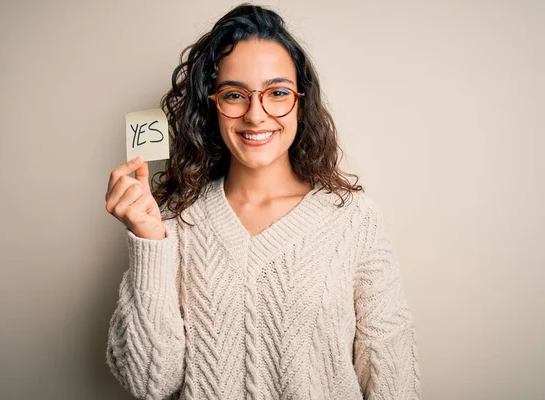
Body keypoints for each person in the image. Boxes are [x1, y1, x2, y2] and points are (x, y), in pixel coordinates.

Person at [104, 4, 421, 399]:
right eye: (235, 94)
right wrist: (150, 241)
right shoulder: (173, 220)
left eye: (277, 93)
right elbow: (150, 383)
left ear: (301, 103)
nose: (257, 115)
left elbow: (391, 367)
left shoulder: (352, 219)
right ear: (212, 105)